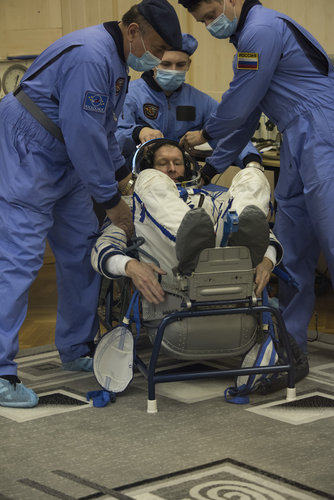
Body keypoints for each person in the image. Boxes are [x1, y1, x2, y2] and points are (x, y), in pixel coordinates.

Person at [0, 0, 183, 408]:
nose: (156, 58)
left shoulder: (117, 61)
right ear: (133, 31)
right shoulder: (91, 56)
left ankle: (76, 346)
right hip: (27, 152)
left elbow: (101, 130)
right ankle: (1, 371)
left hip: (65, 160)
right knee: (19, 260)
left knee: (83, 251)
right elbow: (84, 134)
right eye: (155, 46)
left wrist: (123, 177)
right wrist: (112, 202)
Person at [178, 0, 334, 353]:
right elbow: (248, 114)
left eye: (210, 14)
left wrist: (206, 133)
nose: (208, 25)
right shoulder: (247, 44)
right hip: (296, 135)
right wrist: (214, 166)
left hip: (323, 129)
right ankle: (289, 342)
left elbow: (240, 100)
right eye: (202, 21)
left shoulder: (261, 30)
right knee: (290, 245)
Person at [91, 140, 282, 308]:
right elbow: (102, 248)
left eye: (177, 163)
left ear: (188, 167)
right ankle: (193, 244)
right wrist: (130, 265)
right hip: (174, 281)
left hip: (233, 275)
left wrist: (267, 261)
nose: (172, 169)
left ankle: (228, 251)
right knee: (149, 179)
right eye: (163, 163)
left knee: (252, 175)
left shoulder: (213, 198)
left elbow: (263, 234)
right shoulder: (131, 206)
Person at [115, 32, 261, 170]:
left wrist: (250, 160)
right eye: (166, 64)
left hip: (182, 178)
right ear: (153, 62)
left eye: (180, 65)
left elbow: (227, 131)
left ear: (188, 65)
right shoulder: (129, 94)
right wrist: (137, 132)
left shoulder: (198, 101)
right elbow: (112, 138)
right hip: (136, 176)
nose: (173, 71)